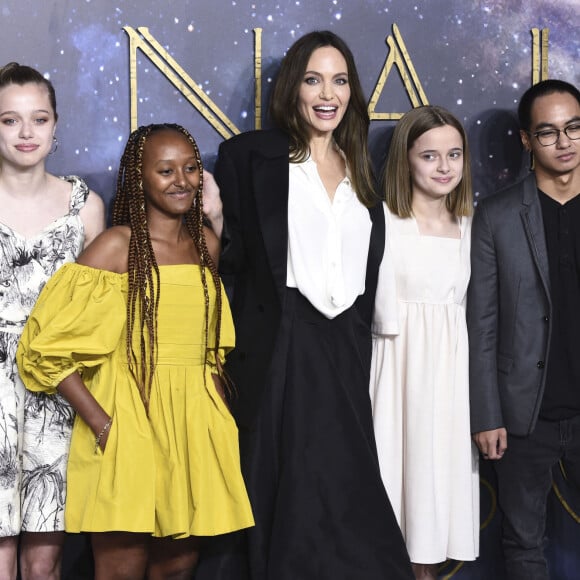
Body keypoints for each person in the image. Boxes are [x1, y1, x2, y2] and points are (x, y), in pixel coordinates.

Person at [211, 30, 413, 580]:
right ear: (292, 88)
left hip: (344, 345)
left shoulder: (362, 170)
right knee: (277, 491)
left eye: (340, 79)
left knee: (347, 493)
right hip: (279, 345)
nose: (329, 93)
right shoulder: (250, 156)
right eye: (313, 79)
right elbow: (230, 264)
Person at [16, 123, 254, 580]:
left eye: (190, 168)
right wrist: (102, 423)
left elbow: (211, 345)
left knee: (179, 565)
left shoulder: (206, 244)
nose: (181, 180)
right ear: (138, 179)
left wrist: (216, 409)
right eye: (165, 170)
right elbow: (45, 350)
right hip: (127, 418)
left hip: (192, 425)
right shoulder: (115, 247)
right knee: (120, 567)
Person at [467, 79, 580, 580]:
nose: (565, 142)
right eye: (549, 132)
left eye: (574, 128)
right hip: (522, 414)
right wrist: (487, 414)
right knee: (523, 545)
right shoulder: (495, 216)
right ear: (526, 140)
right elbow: (482, 322)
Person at [0, 62, 105, 580]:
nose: (26, 133)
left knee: (44, 564)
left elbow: (98, 319)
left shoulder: (85, 209)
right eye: (10, 120)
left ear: (56, 125)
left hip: (56, 394)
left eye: (38, 119)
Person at [370, 106, 479, 580]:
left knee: (435, 503)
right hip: (394, 375)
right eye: (430, 155)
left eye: (454, 154)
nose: (444, 167)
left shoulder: (473, 225)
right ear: (406, 160)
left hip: (450, 382)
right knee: (391, 496)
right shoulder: (381, 222)